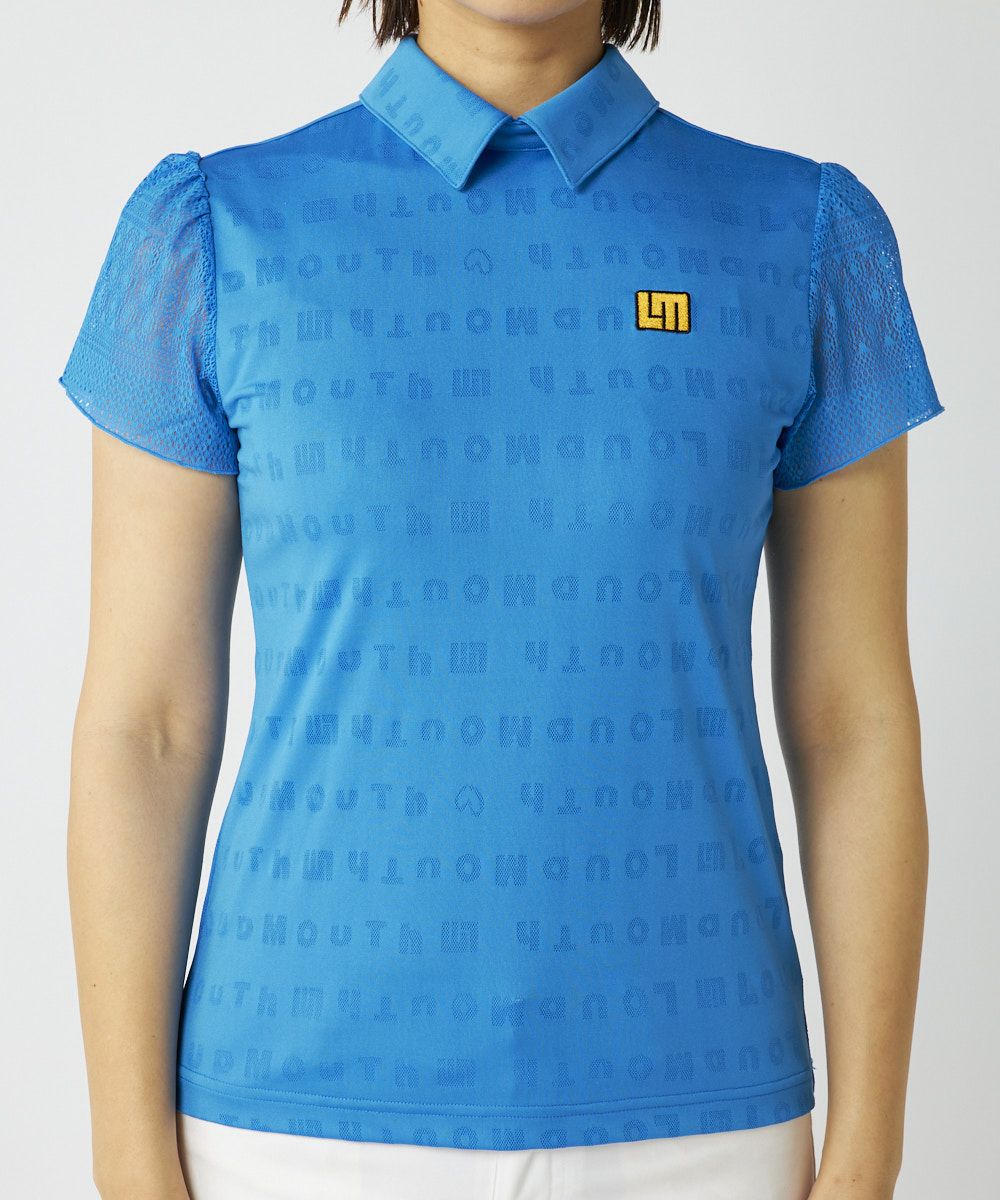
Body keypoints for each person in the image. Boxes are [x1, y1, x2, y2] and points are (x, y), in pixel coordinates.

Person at [60, 1, 943, 1198]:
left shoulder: (801, 238)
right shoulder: (214, 233)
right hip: (293, 1126)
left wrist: (866, 1156)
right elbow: (147, 727)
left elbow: (852, 722)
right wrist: (127, 1160)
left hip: (698, 1125)